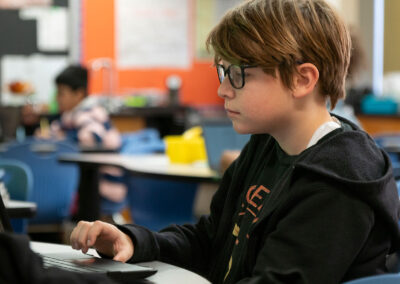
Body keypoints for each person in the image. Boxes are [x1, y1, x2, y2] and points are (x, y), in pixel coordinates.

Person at [69, 1, 400, 283]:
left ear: (302, 79)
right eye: (223, 72)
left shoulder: (338, 180)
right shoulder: (268, 144)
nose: (223, 89)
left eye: (239, 74)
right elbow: (212, 240)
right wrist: (134, 240)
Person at [34, 65, 128, 222]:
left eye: (61, 93)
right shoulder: (71, 115)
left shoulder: (89, 111)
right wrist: (47, 135)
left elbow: (92, 137)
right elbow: (57, 130)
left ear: (79, 94)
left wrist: (62, 138)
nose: (57, 98)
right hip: (89, 184)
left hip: (104, 187)